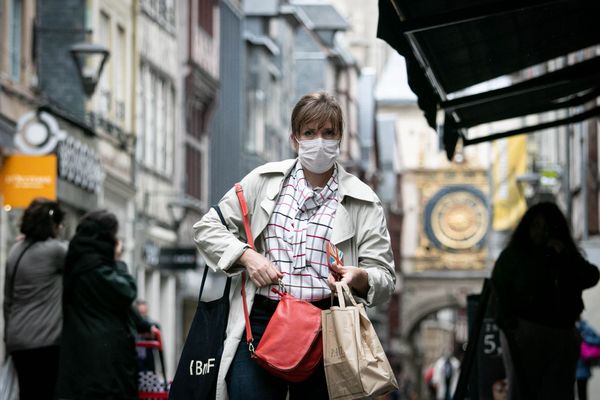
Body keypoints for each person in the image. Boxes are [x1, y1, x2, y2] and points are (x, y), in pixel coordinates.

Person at [193, 91, 396, 399]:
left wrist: (360, 277)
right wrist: (248, 257)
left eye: (328, 133)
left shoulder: (363, 201)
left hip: (329, 331)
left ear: (340, 139)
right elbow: (207, 228)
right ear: (294, 138)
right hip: (261, 322)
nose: (319, 141)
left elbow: (385, 277)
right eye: (310, 133)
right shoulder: (263, 181)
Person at [491, 202, 599, 400]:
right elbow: (499, 290)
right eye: (536, 226)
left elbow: (590, 276)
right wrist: (509, 325)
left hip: (561, 331)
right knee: (523, 390)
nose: (540, 232)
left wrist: (565, 255)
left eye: (546, 227)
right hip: (525, 329)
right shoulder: (515, 256)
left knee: (558, 391)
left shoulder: (561, 255)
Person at [57, 210, 152, 400]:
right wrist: (118, 262)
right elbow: (126, 292)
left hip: (78, 353)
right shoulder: (97, 267)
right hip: (105, 360)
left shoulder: (76, 260)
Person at [3, 198, 67, 400]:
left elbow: (7, 300)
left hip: (18, 340)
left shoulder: (15, 251)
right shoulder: (55, 251)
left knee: (27, 393)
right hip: (45, 339)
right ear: (52, 225)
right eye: (59, 224)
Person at [576, 319, 600, 400]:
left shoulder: (585, 328)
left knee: (582, 393)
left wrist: (585, 338)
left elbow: (598, 340)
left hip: (582, 366)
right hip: (572, 367)